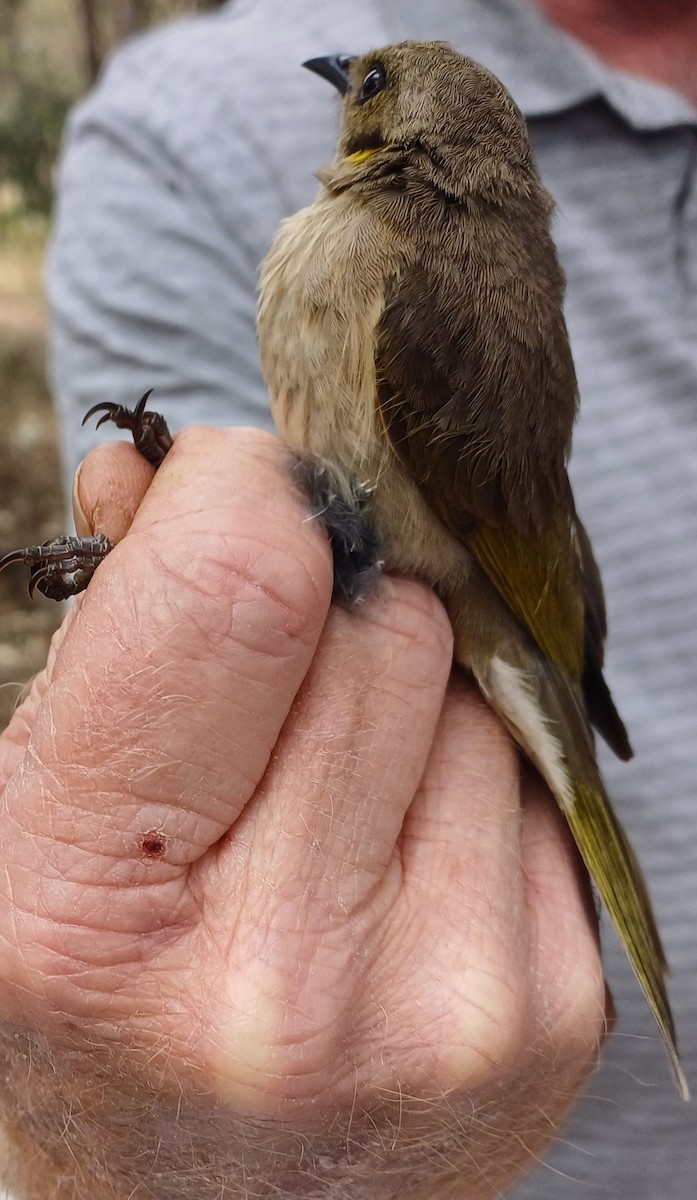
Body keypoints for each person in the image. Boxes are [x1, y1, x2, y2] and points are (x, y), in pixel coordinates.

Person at [1, 0, 695, 1195]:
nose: (341, 83)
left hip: (497, 598)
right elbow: (276, 591)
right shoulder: (188, 138)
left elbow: (453, 541)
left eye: (360, 81)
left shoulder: (418, 279)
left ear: (395, 126)